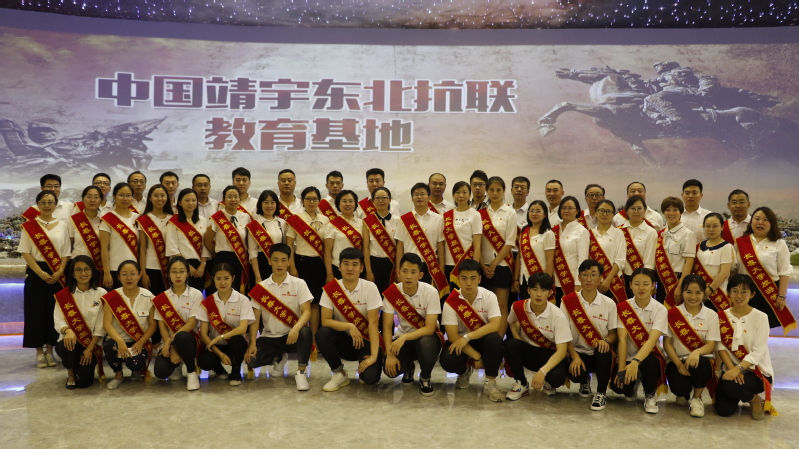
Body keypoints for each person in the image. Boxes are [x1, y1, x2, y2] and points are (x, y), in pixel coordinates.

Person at [246, 243, 313, 390]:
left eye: (283, 260)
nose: (279, 264)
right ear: (269, 261)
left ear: (289, 262)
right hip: (269, 337)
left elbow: (307, 311)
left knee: (305, 331)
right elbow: (255, 320)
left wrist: (296, 327)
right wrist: (252, 343)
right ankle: (278, 357)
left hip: (291, 336)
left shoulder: (299, 283)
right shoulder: (261, 288)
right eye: (275, 260)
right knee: (251, 360)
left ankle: (301, 372)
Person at [317, 248, 384, 391]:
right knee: (322, 333)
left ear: (361, 268)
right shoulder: (331, 289)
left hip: (366, 340)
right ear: (339, 266)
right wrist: (349, 326)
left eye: (354, 264)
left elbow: (373, 323)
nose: (350, 268)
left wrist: (373, 356)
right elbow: (325, 321)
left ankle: (365, 369)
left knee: (370, 378)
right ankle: (339, 373)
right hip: (344, 341)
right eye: (346, 264)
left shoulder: (370, 287)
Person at [20, 189, 71, 368]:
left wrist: (60, 271)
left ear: (55, 205)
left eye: (50, 202)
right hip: (36, 273)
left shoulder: (62, 225)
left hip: (57, 273)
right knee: (35, 312)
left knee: (54, 313)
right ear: (37, 205)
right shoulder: (29, 226)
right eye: (43, 202)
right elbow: (26, 252)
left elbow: (65, 252)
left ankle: (50, 350)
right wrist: (41, 273)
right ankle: (39, 352)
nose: (47, 205)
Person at [714, 274, 777, 420]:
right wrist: (732, 368)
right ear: (728, 293)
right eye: (735, 291)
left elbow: (758, 351)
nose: (739, 296)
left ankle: (755, 400)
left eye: (744, 292)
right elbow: (720, 346)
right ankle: (746, 395)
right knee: (723, 410)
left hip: (757, 372)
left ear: (752, 294)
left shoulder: (761, 317)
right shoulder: (720, 316)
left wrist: (739, 369)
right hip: (731, 369)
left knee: (729, 386)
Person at [439, 259, 503, 401]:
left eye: (473, 278)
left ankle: (490, 382)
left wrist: (468, 337)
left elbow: (495, 325)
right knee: (448, 360)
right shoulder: (451, 302)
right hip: (460, 342)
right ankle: (464, 371)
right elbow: (452, 336)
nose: (468, 283)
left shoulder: (489, 296)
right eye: (464, 278)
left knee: (495, 340)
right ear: (458, 279)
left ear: (479, 279)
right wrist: (477, 356)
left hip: (481, 340)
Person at [382, 253, 443, 396]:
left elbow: (430, 328)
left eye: (413, 272)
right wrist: (390, 354)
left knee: (426, 343)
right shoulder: (392, 293)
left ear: (420, 275)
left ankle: (425, 378)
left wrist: (404, 337)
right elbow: (386, 326)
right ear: (398, 273)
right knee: (390, 371)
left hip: (427, 337)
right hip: (403, 338)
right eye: (405, 271)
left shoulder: (431, 292)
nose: (408, 276)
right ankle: (408, 367)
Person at [562, 260, 619, 410]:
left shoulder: (609, 303)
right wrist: (574, 356)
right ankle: (584, 381)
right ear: (579, 277)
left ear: (600, 278)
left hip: (598, 354)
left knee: (603, 349)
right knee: (576, 375)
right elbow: (563, 333)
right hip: (577, 353)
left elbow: (614, 334)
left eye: (593, 275)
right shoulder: (567, 302)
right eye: (585, 275)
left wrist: (606, 340)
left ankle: (601, 393)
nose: (589, 279)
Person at [611, 267, 669, 414]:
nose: (641, 288)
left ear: (653, 285)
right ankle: (634, 383)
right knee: (620, 388)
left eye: (646, 284)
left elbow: (652, 340)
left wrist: (635, 362)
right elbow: (622, 339)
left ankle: (650, 395)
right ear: (630, 285)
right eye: (637, 284)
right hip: (627, 357)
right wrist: (622, 369)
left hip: (650, 357)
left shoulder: (660, 309)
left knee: (650, 362)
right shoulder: (623, 307)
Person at [505, 272, 570, 401]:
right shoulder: (518, 306)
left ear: (550, 293)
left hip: (550, 355)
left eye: (543, 290)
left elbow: (562, 351)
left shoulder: (558, 316)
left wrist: (543, 372)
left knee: (556, 378)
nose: (539, 294)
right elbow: (511, 321)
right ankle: (521, 383)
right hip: (530, 352)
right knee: (511, 344)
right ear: (528, 290)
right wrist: (517, 337)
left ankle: (548, 382)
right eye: (535, 289)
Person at [663, 274, 719, 418]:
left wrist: (696, 352)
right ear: (682, 292)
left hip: (701, 361)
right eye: (688, 292)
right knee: (680, 389)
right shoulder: (673, 313)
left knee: (702, 364)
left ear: (704, 293)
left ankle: (697, 398)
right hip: (678, 360)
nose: (693, 297)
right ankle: (684, 393)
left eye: (698, 292)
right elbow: (667, 343)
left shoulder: (711, 315)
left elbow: (711, 345)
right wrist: (678, 364)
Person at [733, 206, 795, 331]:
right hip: (743, 292)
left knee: (761, 330)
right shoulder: (740, 242)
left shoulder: (779, 243)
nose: (760, 222)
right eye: (757, 219)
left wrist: (782, 296)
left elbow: (784, 272)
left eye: (765, 219)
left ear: (772, 223)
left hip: (767, 293)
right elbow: (734, 269)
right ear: (751, 222)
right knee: (741, 328)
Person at [195, 263, 254, 386]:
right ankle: (219, 369)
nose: (222, 282)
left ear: (233, 278)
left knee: (237, 341)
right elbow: (203, 334)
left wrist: (220, 337)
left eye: (226, 278)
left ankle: (236, 371)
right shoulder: (208, 302)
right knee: (205, 361)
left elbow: (243, 328)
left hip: (235, 344)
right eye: (218, 278)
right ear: (213, 279)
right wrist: (221, 354)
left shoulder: (243, 300)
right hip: (216, 345)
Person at [102, 260, 156, 390]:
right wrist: (119, 341)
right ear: (119, 277)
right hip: (118, 340)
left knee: (136, 363)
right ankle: (118, 375)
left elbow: (152, 325)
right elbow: (107, 324)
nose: (129, 278)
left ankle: (136, 370)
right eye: (125, 274)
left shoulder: (148, 296)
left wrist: (141, 342)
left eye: (133, 273)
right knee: (109, 346)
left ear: (140, 275)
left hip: (139, 341)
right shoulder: (111, 297)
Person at [53, 256, 106, 389]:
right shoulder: (63, 295)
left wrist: (89, 349)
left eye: (87, 269)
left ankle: (81, 371)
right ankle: (71, 373)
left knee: (85, 381)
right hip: (69, 342)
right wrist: (67, 330)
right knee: (69, 344)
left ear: (92, 272)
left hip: (91, 344)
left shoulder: (101, 293)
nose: (83, 273)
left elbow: (101, 325)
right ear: (73, 273)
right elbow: (58, 320)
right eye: (78, 270)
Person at [152, 257, 204, 391]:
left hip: (190, 339)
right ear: (168, 274)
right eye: (174, 271)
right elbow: (162, 327)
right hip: (169, 342)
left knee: (182, 336)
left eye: (182, 271)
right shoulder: (161, 298)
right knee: (160, 372)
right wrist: (170, 347)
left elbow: (191, 324)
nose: (178, 275)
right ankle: (177, 365)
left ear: (187, 273)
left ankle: (191, 372)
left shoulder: (196, 294)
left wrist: (170, 342)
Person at [286, 186, 330, 340]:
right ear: (302, 201)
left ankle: (314, 339)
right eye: (308, 199)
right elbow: (289, 245)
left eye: (314, 199)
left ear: (319, 200)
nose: (311, 202)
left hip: (319, 264)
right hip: (301, 263)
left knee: (316, 302)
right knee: (302, 302)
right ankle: (301, 337)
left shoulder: (325, 220)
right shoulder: (295, 219)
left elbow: (327, 246)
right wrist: (292, 266)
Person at [394, 183, 448, 296]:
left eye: (422, 194)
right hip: (408, 266)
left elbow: (440, 245)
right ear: (412, 198)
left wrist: (441, 269)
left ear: (429, 197)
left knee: (428, 297)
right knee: (409, 297)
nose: (419, 197)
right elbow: (400, 246)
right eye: (416, 194)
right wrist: (399, 269)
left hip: (430, 266)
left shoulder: (438, 219)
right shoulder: (403, 219)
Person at [478, 176, 517, 333]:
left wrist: (494, 264)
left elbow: (510, 241)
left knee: (501, 305)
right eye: (491, 190)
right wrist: (482, 264)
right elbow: (477, 243)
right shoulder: (480, 213)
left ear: (504, 191)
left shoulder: (510, 212)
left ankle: (499, 340)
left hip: (502, 265)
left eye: (498, 190)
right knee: (483, 306)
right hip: (483, 266)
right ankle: (485, 339)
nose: (495, 193)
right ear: (487, 191)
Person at [204, 186, 253, 294]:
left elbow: (248, 240)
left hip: (240, 259)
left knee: (237, 289)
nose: (233, 199)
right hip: (222, 258)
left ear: (239, 199)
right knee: (221, 289)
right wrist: (216, 253)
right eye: (229, 197)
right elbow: (208, 241)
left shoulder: (246, 217)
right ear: (224, 199)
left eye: (236, 197)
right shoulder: (216, 218)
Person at [166, 188, 211, 292]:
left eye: (193, 200)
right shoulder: (173, 222)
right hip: (180, 265)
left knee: (198, 295)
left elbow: (205, 245)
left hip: (199, 266)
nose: (191, 203)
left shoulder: (202, 220)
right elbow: (172, 247)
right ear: (180, 203)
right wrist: (187, 266)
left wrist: (202, 265)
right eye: (187, 200)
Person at [656, 197, 696, 307]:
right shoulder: (660, 234)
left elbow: (689, 262)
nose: (671, 213)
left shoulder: (687, 234)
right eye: (667, 210)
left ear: (681, 212)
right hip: (661, 281)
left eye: (675, 210)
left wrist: (680, 286)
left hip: (677, 281)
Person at [443, 181, 482, 291]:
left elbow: (477, 245)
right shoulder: (446, 216)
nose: (461, 195)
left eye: (464, 192)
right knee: (452, 298)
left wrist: (475, 267)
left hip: (467, 264)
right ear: (453, 195)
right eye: (457, 192)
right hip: (449, 263)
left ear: (469, 195)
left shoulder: (475, 214)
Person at [137, 184, 174, 300]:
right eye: (156, 196)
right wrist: (143, 272)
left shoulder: (173, 218)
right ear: (150, 198)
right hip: (151, 267)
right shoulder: (144, 219)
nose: (159, 199)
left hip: (171, 268)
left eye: (163, 195)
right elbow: (142, 248)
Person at [99, 182, 139, 289]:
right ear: (114, 196)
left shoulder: (137, 218)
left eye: (128, 195)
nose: (125, 199)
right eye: (121, 195)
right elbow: (104, 248)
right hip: (114, 269)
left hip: (134, 270)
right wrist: (106, 272)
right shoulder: (108, 219)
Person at [551, 196, 589, 305]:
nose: (566, 211)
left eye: (570, 208)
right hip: (554, 281)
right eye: (564, 208)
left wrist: (578, 282)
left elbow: (582, 260)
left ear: (577, 211)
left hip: (571, 281)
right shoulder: (554, 230)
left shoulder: (582, 231)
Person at [513, 200, 554, 300]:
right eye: (531, 211)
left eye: (538, 211)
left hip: (540, 279)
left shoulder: (548, 233)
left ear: (545, 214)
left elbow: (550, 261)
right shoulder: (524, 230)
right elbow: (519, 256)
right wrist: (516, 279)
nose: (534, 214)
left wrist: (546, 283)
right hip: (523, 279)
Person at [694, 212, 735, 311]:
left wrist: (708, 290)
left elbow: (724, 273)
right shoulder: (699, 246)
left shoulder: (727, 247)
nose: (711, 229)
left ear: (722, 227)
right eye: (708, 226)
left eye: (715, 226)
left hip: (718, 294)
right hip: (698, 294)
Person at [362, 187, 399, 294]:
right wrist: (368, 271)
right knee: (374, 294)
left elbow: (400, 247)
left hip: (392, 264)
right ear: (373, 201)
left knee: (391, 295)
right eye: (377, 198)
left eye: (384, 198)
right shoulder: (367, 221)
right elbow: (366, 247)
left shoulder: (398, 221)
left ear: (390, 200)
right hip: (375, 263)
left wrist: (399, 269)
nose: (381, 200)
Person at [619, 195, 657, 299]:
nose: (636, 212)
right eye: (632, 208)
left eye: (639, 208)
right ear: (626, 211)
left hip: (641, 280)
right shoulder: (619, 231)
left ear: (645, 210)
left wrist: (645, 280)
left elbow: (650, 260)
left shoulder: (651, 232)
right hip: (621, 278)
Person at [589, 199, 627, 304]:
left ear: (613, 214)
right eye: (601, 210)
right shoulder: (589, 234)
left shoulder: (619, 233)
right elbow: (587, 261)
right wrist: (595, 279)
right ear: (596, 212)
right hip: (593, 282)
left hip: (613, 282)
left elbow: (620, 260)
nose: (604, 214)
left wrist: (608, 279)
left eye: (608, 211)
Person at [248, 190, 286, 284]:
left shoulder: (282, 223)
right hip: (262, 264)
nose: (269, 206)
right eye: (266, 202)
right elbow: (252, 252)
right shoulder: (254, 225)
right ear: (260, 204)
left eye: (272, 202)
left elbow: (286, 246)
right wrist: (257, 276)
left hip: (280, 263)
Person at [324, 190, 364, 281]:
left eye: (351, 201)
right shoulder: (331, 225)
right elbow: (327, 251)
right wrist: (329, 273)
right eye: (344, 201)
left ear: (355, 203)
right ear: (338, 204)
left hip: (357, 267)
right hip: (338, 267)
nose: (348, 204)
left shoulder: (362, 223)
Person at [68, 185, 104, 275]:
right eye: (89, 197)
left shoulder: (105, 220)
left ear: (101, 200)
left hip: (98, 265)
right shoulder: (74, 219)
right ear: (83, 199)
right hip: (77, 264)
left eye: (96, 197)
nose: (92, 200)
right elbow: (69, 245)